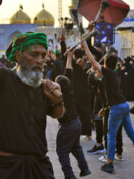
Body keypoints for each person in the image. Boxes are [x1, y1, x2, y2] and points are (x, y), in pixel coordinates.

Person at [0, 0, 64, 179]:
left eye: (43, 55)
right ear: (19, 55)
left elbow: (59, 114)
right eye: (34, 54)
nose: (40, 59)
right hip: (5, 169)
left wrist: (57, 99)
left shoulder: (41, 85)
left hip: (38, 167)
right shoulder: (3, 79)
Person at [81, 36, 134, 173]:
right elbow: (106, 92)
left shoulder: (108, 73)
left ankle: (109, 162)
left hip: (117, 108)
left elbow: (94, 61)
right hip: (123, 106)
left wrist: (85, 46)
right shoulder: (111, 75)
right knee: (131, 133)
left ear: (105, 65)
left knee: (111, 135)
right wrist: (104, 108)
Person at [55, 50, 91, 179]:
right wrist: (69, 56)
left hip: (68, 126)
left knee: (62, 151)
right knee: (75, 147)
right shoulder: (69, 89)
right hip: (77, 122)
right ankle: (85, 168)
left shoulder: (59, 97)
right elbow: (68, 71)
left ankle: (69, 176)